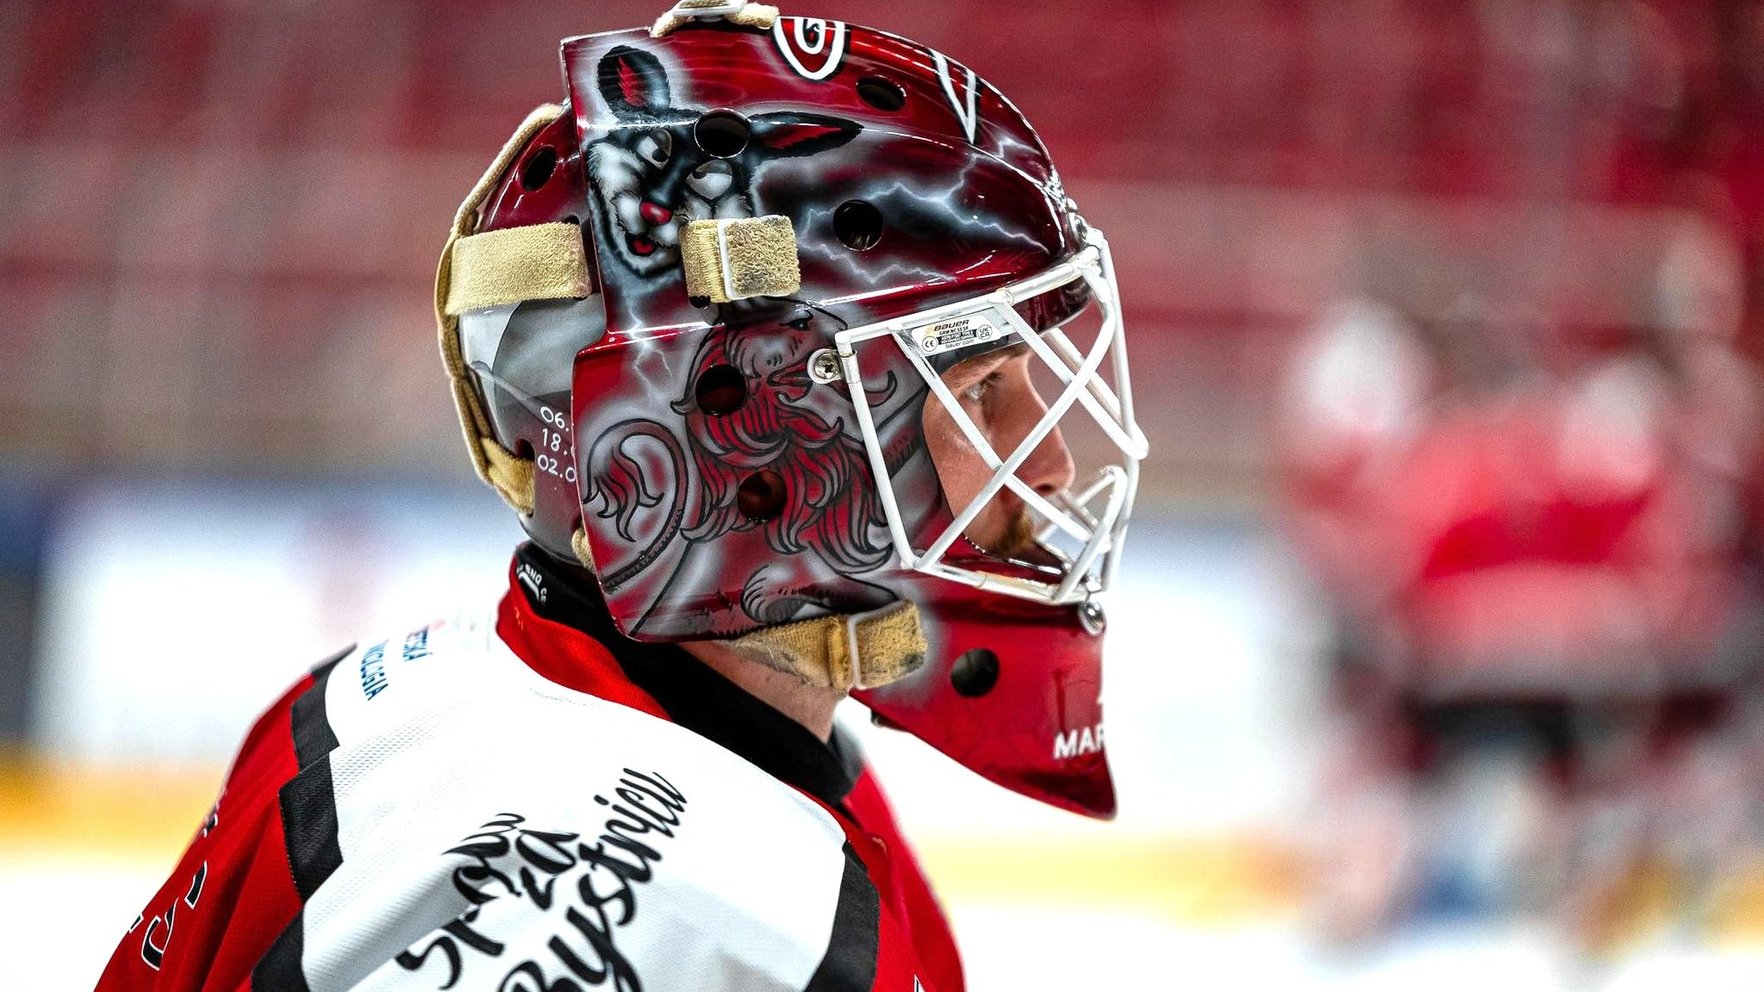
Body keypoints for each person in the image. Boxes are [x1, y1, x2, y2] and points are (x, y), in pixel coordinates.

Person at [95, 3, 1147, 989]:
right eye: (982, 388)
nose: (1050, 461)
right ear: (745, 436)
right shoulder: (660, 922)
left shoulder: (752, 749)